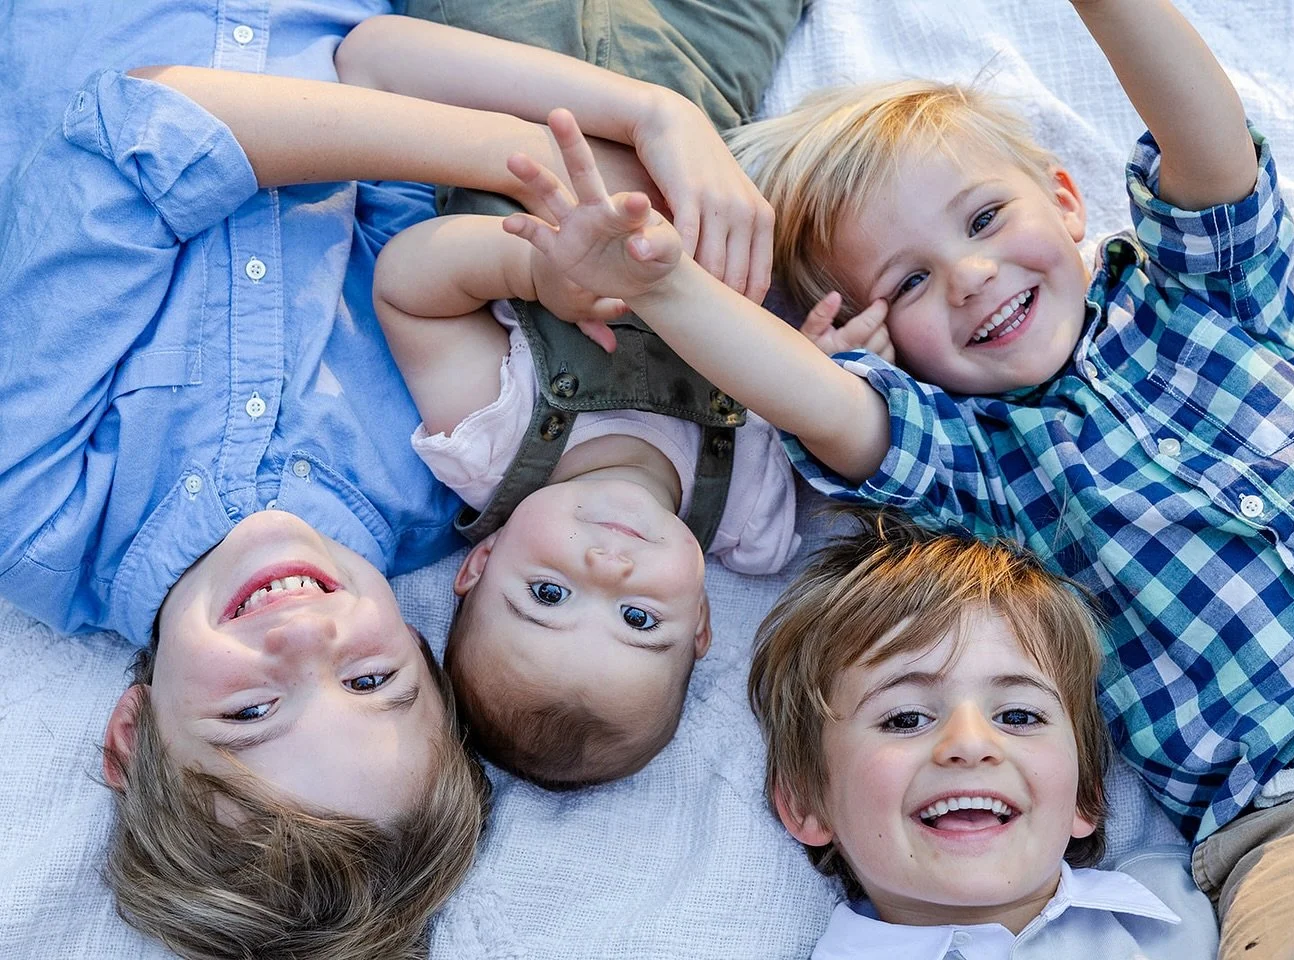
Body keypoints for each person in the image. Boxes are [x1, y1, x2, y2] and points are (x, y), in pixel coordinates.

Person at [494, 0, 1294, 954]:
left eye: (986, 217)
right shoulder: (970, 465)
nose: (970, 274)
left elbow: (1211, 146)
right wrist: (667, 289)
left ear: (1067, 203)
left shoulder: (1205, 300)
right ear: (883, 346)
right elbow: (816, 400)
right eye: (905, 282)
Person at [0, 5, 773, 957]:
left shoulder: (39, 519)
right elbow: (400, 130)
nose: (305, 636)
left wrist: (588, 134)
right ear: (430, 653)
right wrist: (645, 121)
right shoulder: (450, 474)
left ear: (131, 734)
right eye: (371, 678)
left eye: (250, 713)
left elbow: (148, 134)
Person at [371, 207, 800, 788]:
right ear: (700, 618)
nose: (607, 569)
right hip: (722, 198)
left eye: (549, 594)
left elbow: (408, 290)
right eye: (638, 617)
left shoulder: (491, 437)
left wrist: (532, 270)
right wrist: (829, 360)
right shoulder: (754, 516)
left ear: (482, 560)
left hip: (544, 176)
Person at [747, 511, 1218, 958]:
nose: (970, 745)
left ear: (1086, 793)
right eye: (906, 719)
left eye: (1018, 716)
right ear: (806, 800)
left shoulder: (1200, 902)